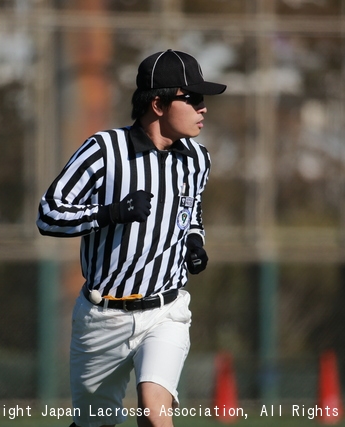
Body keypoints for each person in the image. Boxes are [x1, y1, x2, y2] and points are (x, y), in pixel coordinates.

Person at [36, 49, 226, 427]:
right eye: (193, 99)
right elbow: (48, 215)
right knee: (95, 423)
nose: (203, 109)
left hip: (166, 311)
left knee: (154, 412)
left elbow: (191, 209)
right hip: (103, 316)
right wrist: (111, 213)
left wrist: (194, 241)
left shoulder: (197, 158)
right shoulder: (103, 151)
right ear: (157, 103)